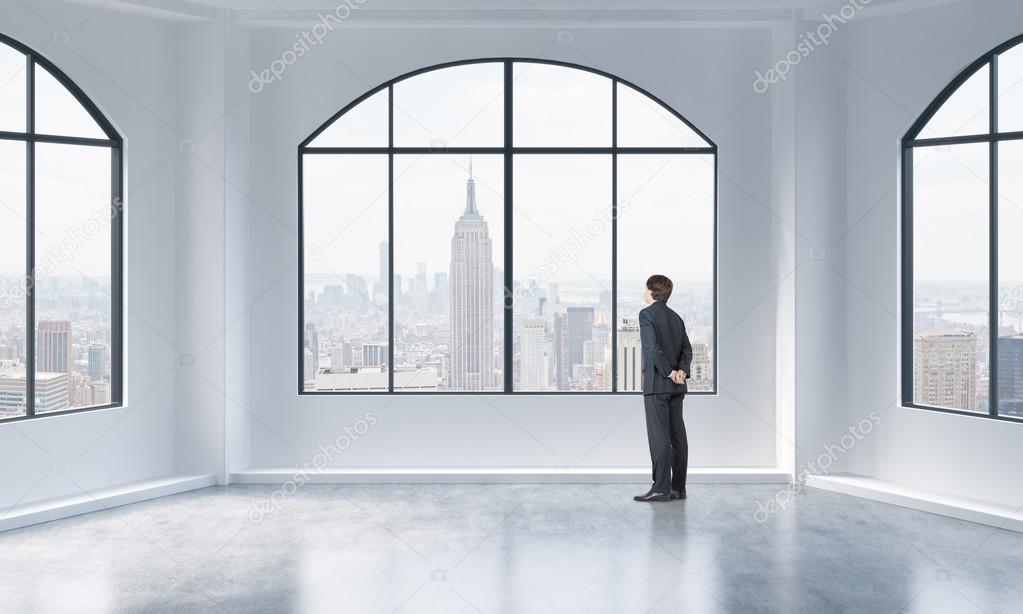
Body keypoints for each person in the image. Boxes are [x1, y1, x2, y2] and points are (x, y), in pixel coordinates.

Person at [633, 274, 693, 503]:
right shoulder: (676, 318)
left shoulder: (646, 314)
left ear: (651, 291)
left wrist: (668, 372)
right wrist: (681, 371)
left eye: (645, 288)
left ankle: (660, 489)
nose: (644, 292)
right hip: (677, 387)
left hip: (658, 385)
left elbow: (651, 348)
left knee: (659, 437)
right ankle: (678, 488)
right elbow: (687, 349)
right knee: (677, 437)